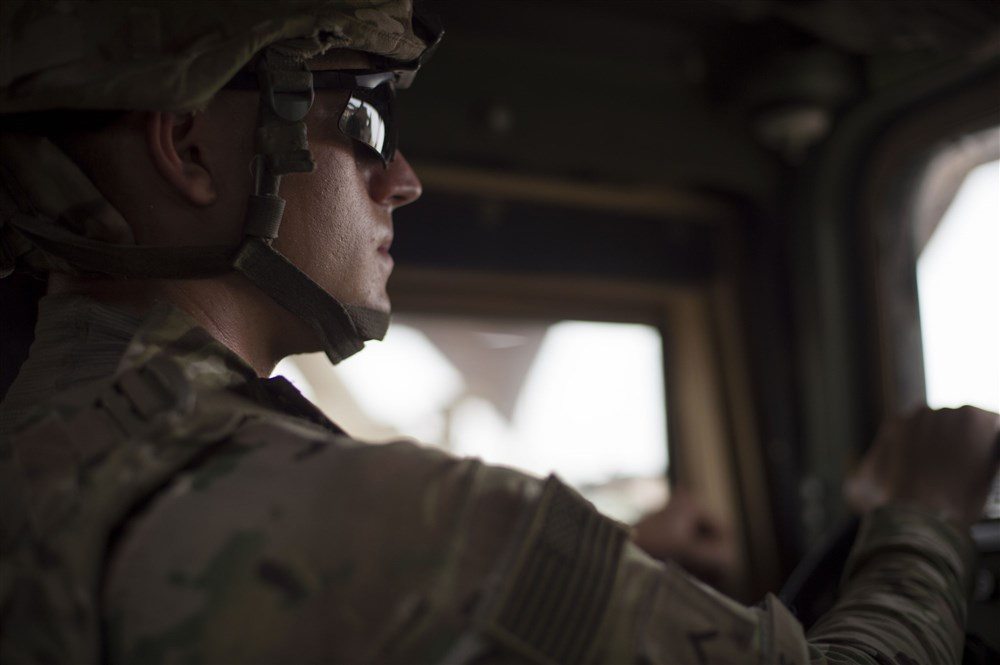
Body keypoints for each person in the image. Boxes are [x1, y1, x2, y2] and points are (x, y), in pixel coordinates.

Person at [0, 2, 997, 663]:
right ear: (187, 147)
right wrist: (923, 512)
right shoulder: (422, 527)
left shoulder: (52, 438)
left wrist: (618, 558)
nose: (405, 178)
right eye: (367, 115)